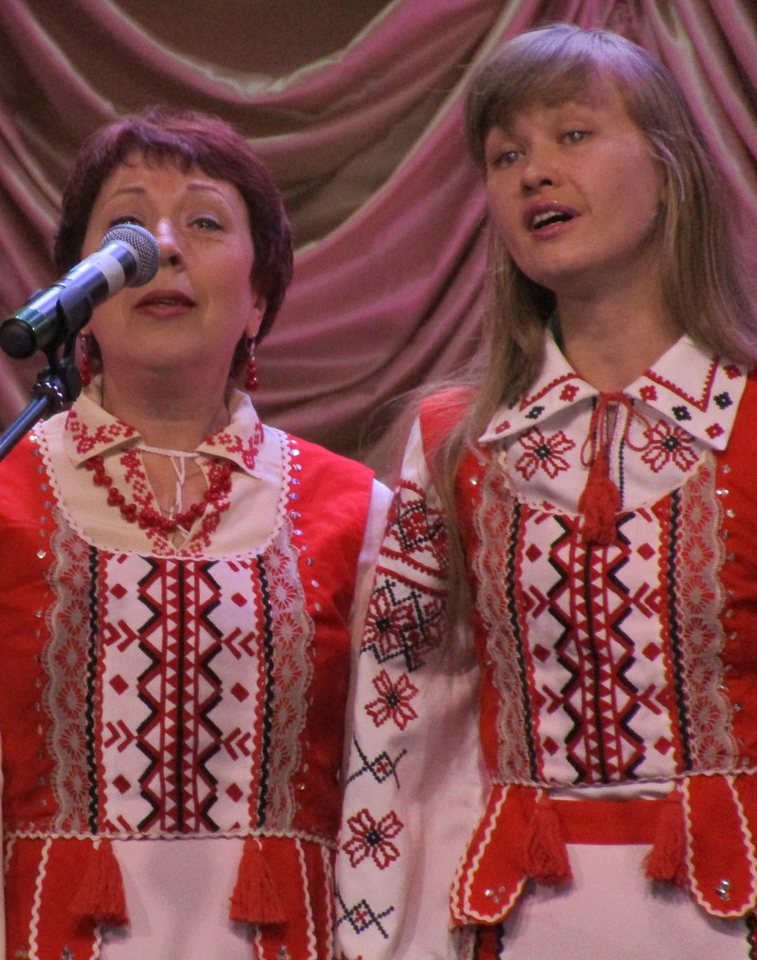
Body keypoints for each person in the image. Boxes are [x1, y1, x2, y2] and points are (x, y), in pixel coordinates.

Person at [0, 106, 391, 959]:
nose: (163, 246)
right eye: (127, 228)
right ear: (83, 298)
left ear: (259, 299)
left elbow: (393, 796)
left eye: (205, 222)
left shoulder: (358, 513)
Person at [334, 23, 757, 960]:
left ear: (669, 169)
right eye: (506, 155)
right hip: (522, 924)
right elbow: (398, 720)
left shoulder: (750, 420)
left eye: (572, 135)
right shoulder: (454, 442)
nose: (534, 173)